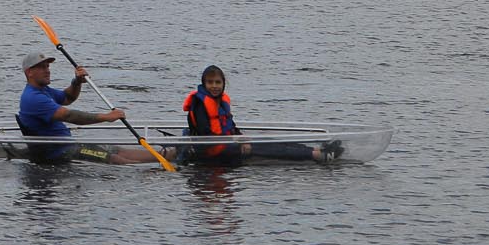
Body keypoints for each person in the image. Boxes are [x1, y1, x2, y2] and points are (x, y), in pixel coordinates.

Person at [18, 51, 153, 164]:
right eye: (42, 67)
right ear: (30, 72)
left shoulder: (44, 90)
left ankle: (168, 155)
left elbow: (67, 98)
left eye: (47, 67)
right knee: (115, 159)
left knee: (117, 150)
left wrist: (77, 82)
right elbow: (69, 116)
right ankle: (155, 175)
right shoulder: (33, 97)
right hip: (56, 151)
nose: (47, 71)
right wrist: (106, 117)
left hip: (67, 144)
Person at [182, 65, 332, 163]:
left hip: (226, 144)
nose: (214, 86)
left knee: (271, 141)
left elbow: (230, 125)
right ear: (204, 84)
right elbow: (205, 134)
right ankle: (316, 155)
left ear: (223, 84)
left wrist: (239, 136)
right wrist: (237, 142)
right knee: (269, 149)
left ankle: (315, 149)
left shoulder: (220, 101)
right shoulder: (200, 104)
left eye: (217, 82)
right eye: (210, 82)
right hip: (212, 151)